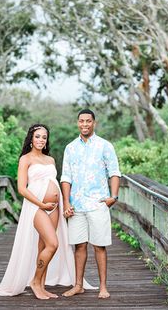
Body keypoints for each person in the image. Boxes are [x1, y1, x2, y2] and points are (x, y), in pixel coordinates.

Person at [0, 124, 93, 299]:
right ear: (31, 139)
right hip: (37, 206)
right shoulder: (25, 159)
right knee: (53, 244)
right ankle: (35, 281)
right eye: (38, 136)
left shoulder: (50, 160)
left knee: (43, 246)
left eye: (44, 137)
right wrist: (41, 204)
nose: (41, 140)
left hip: (54, 207)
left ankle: (41, 285)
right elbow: (22, 189)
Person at [61, 109, 121, 299]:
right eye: (81, 121)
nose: (84, 124)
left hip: (97, 203)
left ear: (94, 123)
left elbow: (114, 172)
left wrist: (114, 196)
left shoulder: (105, 146)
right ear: (77, 123)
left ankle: (103, 287)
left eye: (88, 121)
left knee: (99, 246)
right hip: (76, 205)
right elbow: (65, 177)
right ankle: (78, 285)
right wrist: (66, 203)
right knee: (79, 246)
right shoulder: (70, 148)